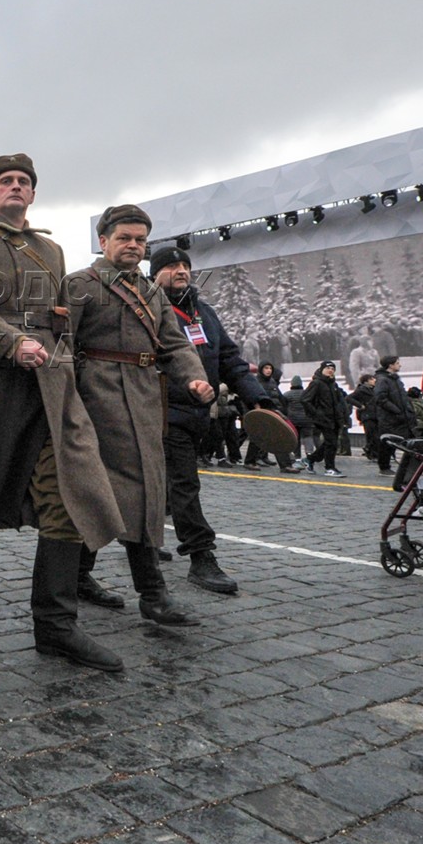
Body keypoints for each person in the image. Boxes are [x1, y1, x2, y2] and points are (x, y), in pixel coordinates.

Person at [0, 154, 131, 671]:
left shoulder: (51, 249)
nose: (15, 187)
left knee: (70, 491)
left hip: (48, 384)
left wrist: (66, 363)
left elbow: (62, 317)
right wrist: (10, 340)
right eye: (5, 181)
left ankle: (56, 625)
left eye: (24, 181)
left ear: (33, 194)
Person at [65, 206, 212, 632]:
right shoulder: (80, 285)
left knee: (137, 492)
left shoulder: (151, 292)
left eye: (140, 240)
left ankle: (97, 580)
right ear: (103, 242)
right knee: (110, 493)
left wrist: (194, 378)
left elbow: (175, 344)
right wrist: (67, 404)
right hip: (97, 400)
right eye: (125, 238)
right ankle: (149, 593)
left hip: (145, 400)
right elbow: (61, 345)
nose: (133, 246)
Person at [143, 244, 269, 594]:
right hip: (162, 413)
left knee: (160, 484)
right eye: (171, 267)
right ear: (154, 275)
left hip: (201, 414)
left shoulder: (205, 313)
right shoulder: (145, 309)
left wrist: (258, 398)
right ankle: (201, 556)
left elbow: (229, 359)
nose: (181, 271)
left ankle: (141, 540)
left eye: (185, 265)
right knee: (184, 483)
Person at [301, 362, 350, 476]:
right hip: (323, 419)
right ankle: (329, 468)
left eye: (332, 368)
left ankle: (310, 459)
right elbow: (305, 399)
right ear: (322, 369)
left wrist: (343, 416)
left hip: (335, 419)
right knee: (331, 443)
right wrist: (316, 413)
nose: (330, 370)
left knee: (331, 443)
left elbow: (339, 402)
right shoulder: (317, 383)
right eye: (328, 368)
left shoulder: (333, 384)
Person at [371, 355, 410, 473]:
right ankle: (384, 467)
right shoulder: (383, 379)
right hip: (389, 417)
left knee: (403, 441)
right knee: (387, 443)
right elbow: (381, 398)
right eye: (397, 363)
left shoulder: (395, 379)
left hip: (400, 417)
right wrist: (396, 410)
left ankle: (407, 468)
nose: (400, 365)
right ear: (390, 365)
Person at [244, 361, 281, 468]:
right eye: (266, 368)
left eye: (270, 368)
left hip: (270, 411)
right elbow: (251, 396)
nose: (268, 370)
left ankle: (262, 457)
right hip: (259, 413)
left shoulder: (272, 381)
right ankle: (251, 460)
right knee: (257, 437)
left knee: (267, 437)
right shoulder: (256, 381)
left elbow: (277, 396)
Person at [280, 377, 315, 473]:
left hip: (293, 420)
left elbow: (283, 406)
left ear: (292, 384)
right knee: (308, 437)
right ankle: (309, 456)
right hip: (307, 420)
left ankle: (297, 458)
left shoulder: (287, 395)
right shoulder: (306, 393)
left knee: (296, 439)